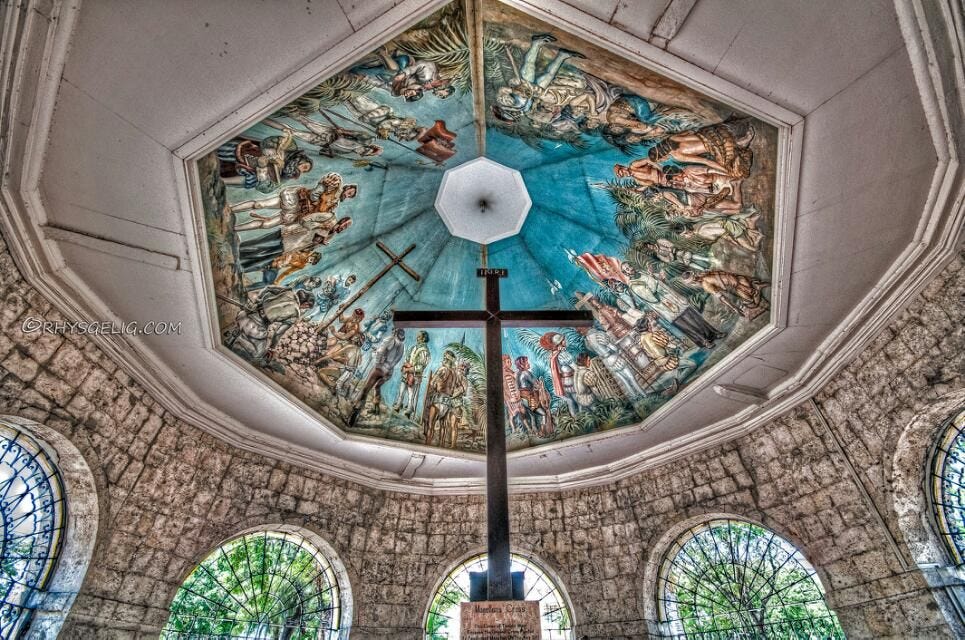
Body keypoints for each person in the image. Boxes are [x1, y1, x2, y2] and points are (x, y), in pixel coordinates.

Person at [621, 262, 725, 348]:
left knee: (694, 316)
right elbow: (651, 296)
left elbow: (658, 281)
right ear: (626, 273)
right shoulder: (634, 285)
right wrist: (652, 276)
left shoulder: (642, 272)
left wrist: (660, 277)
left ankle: (713, 333)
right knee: (686, 325)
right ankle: (704, 341)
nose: (630, 268)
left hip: (672, 297)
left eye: (630, 266)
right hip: (664, 306)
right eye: (627, 269)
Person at [492, 34, 586, 123]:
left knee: (529, 65)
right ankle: (562, 55)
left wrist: (515, 90)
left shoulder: (504, 102)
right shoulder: (524, 110)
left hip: (522, 83)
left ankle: (536, 42)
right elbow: (531, 101)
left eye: (511, 115)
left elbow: (502, 90)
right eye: (514, 116)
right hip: (533, 90)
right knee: (549, 75)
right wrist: (536, 96)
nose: (514, 115)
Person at [224, 287, 315, 364]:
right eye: (306, 307)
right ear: (306, 304)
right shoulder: (296, 313)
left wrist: (258, 300)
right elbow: (278, 333)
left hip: (246, 315)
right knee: (257, 355)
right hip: (256, 329)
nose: (304, 309)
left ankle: (233, 337)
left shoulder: (288, 291)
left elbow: (267, 288)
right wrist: (271, 349)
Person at [217, 129, 312, 193]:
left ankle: (221, 181)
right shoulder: (291, 147)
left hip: (253, 169)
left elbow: (267, 188)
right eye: (304, 167)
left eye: (303, 172)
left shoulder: (286, 175)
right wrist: (273, 155)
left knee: (254, 181)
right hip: (252, 153)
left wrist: (262, 170)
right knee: (242, 150)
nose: (300, 171)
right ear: (301, 158)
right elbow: (266, 142)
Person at [349, 327, 405, 426]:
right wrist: (388, 368)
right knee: (377, 387)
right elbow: (396, 360)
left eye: (393, 331)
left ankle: (355, 412)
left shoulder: (390, 339)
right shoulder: (402, 345)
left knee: (365, 389)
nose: (392, 332)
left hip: (380, 368)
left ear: (395, 333)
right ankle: (376, 407)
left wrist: (378, 362)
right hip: (388, 372)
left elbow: (380, 352)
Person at [263, 116, 383, 159]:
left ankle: (265, 120)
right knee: (305, 122)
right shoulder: (363, 140)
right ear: (369, 147)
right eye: (366, 150)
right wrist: (343, 131)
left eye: (364, 154)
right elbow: (356, 133)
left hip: (320, 141)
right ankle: (288, 110)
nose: (362, 152)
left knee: (293, 132)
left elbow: (329, 150)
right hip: (329, 133)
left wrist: (328, 152)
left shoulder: (347, 152)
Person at [682, 270, 769, 319]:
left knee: (751, 304)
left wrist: (734, 308)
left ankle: (755, 289)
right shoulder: (706, 274)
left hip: (740, 285)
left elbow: (722, 297)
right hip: (741, 280)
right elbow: (722, 296)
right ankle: (755, 286)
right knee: (746, 295)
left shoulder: (706, 283)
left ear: (693, 282)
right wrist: (734, 308)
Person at [423, 350, 461, 446]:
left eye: (445, 357)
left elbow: (432, 382)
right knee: (443, 426)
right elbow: (458, 388)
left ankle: (427, 444)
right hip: (447, 403)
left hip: (438, 400)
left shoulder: (442, 369)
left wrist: (435, 385)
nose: (443, 359)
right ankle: (441, 445)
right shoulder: (455, 374)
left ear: (447, 359)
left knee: (431, 425)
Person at [393, 330, 431, 419]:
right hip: (407, 373)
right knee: (401, 391)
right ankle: (398, 405)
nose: (417, 338)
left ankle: (409, 410)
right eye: (417, 336)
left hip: (415, 375)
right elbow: (407, 358)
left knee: (411, 394)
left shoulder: (424, 351)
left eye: (419, 336)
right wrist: (405, 366)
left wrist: (408, 369)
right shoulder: (413, 347)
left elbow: (420, 367)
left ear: (424, 338)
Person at [540, 332, 580, 416]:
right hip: (570, 380)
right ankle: (582, 416)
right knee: (577, 399)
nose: (565, 341)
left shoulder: (553, 355)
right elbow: (575, 367)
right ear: (560, 343)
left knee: (570, 401)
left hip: (562, 382)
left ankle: (575, 418)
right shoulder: (563, 354)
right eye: (563, 340)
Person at [516, 356, 553, 436]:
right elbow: (537, 384)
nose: (528, 364)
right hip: (529, 399)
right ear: (522, 365)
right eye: (526, 362)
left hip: (523, 399)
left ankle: (535, 431)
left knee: (532, 415)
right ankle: (542, 432)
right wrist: (541, 383)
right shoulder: (526, 373)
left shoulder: (518, 374)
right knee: (543, 414)